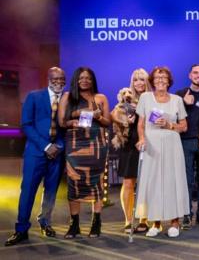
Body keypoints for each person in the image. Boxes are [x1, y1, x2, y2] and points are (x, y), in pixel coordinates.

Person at [5, 67, 66, 246]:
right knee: (28, 192)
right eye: (55, 78)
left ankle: (45, 222)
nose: (59, 81)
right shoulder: (34, 96)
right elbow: (26, 125)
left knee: (51, 192)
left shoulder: (67, 99)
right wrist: (46, 146)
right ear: (48, 79)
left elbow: (67, 128)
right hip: (36, 153)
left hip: (57, 153)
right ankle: (21, 229)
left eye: (62, 78)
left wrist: (58, 146)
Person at [135, 66, 189, 238]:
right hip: (152, 146)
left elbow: (184, 126)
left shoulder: (177, 100)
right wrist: (142, 138)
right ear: (152, 80)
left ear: (169, 81)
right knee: (154, 183)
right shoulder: (145, 97)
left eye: (164, 77)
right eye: (157, 77)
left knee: (173, 181)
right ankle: (156, 223)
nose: (160, 80)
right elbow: (141, 124)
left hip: (172, 145)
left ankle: (175, 222)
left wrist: (169, 125)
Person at [57, 67, 111, 239]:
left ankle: (96, 222)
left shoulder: (100, 97)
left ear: (92, 80)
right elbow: (62, 122)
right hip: (75, 145)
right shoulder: (68, 97)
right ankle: (74, 225)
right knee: (74, 181)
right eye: (81, 78)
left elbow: (107, 121)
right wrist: (79, 115)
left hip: (97, 145)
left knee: (97, 183)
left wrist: (97, 117)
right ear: (76, 80)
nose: (85, 81)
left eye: (88, 78)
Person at [111, 68, 151, 234]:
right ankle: (128, 220)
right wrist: (124, 120)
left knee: (146, 185)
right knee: (128, 183)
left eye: (142, 79)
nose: (139, 83)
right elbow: (113, 116)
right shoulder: (125, 99)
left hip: (149, 144)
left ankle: (144, 220)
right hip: (129, 145)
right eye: (136, 80)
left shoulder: (152, 98)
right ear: (131, 83)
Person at [175, 64, 199, 229]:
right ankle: (186, 214)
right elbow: (173, 117)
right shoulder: (179, 95)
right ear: (190, 75)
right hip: (185, 141)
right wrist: (185, 104)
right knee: (187, 180)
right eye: (195, 72)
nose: (198, 75)